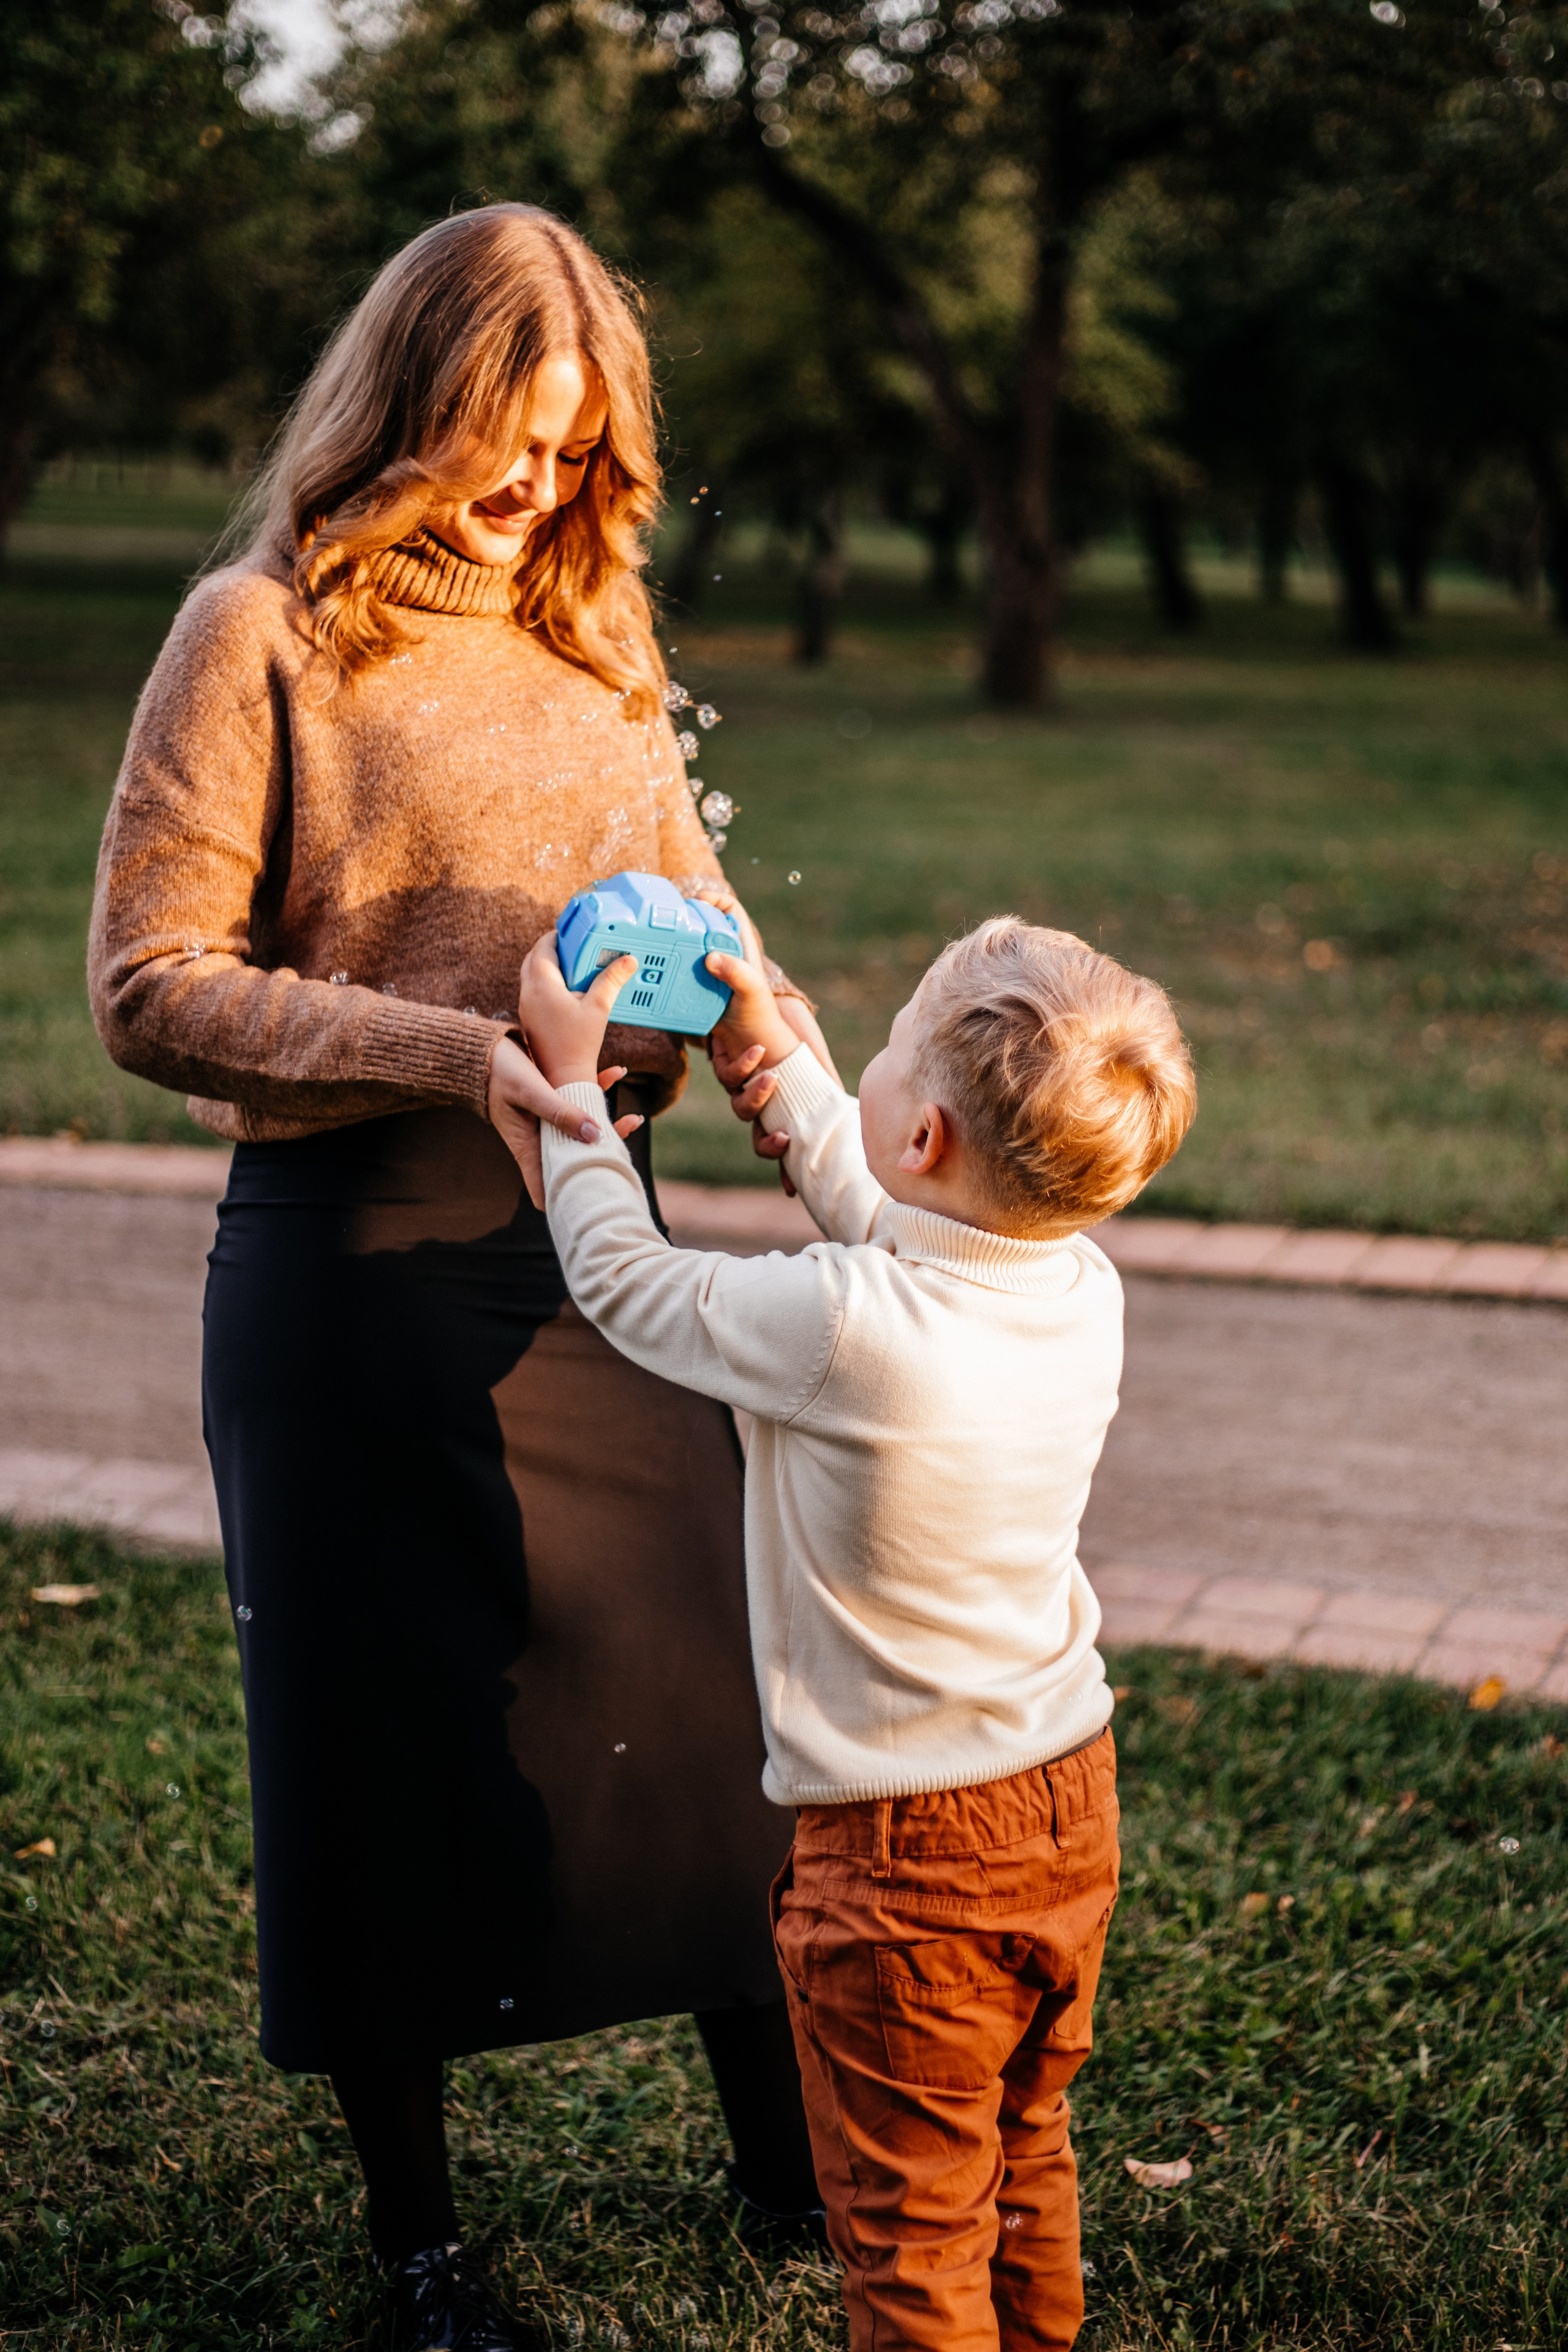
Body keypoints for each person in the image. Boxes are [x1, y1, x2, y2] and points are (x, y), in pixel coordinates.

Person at [88, 204, 826, 2348]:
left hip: (600, 1258)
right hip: (355, 1276)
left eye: (571, 453)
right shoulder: (258, 636)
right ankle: (421, 2253)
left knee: (707, 1727)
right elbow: (152, 990)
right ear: (403, 405)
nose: (531, 491)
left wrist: (739, 1026)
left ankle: (792, 2178)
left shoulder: (597, 637)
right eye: (501, 445)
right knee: (381, 1759)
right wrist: (467, 1052)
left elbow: (693, 929)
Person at [510, 914, 1197, 2350]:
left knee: (906, 2224)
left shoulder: (840, 1325)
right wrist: (776, 1070)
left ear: (927, 1133)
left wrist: (572, 1099)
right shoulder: (1074, 1286)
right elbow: (902, 1215)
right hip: (1062, 1800)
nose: (857, 1067)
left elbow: (632, 1286)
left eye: (872, 1052)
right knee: (1021, 2146)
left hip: (905, 1857)